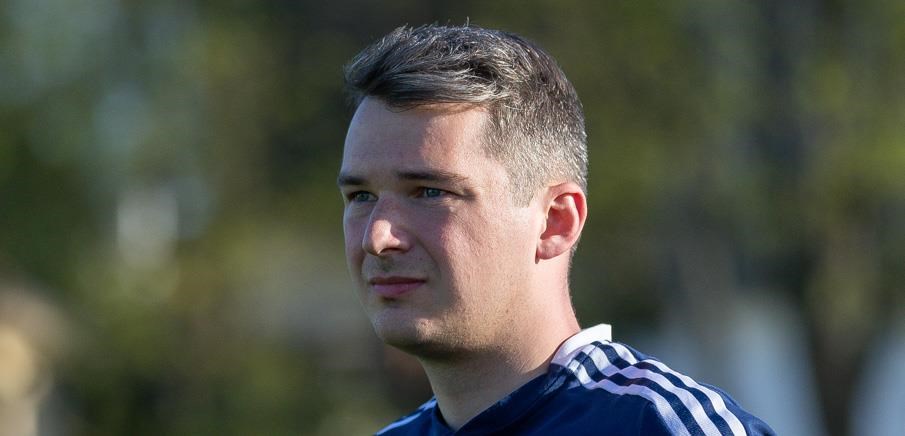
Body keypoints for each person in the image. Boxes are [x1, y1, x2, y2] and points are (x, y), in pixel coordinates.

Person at [338, 24, 775, 435]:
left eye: (430, 192)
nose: (378, 238)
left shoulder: (665, 426)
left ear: (555, 222)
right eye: (361, 196)